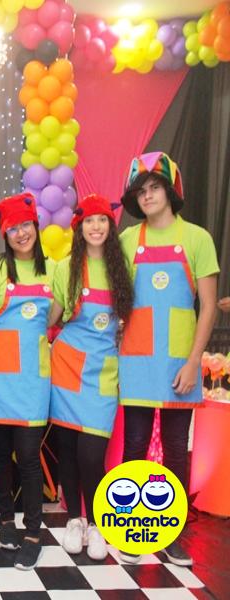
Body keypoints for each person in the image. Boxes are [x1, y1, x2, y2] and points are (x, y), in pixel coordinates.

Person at [117, 152, 219, 567]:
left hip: (180, 362)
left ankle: (171, 535)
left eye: (155, 187)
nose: (148, 196)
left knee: (177, 450)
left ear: (171, 191)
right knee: (134, 446)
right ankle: (131, 530)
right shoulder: (127, 240)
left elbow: (208, 307)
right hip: (136, 359)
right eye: (141, 191)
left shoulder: (197, 238)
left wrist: (194, 362)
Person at [47, 194, 134, 561]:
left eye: (102, 220)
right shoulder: (65, 267)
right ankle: (73, 521)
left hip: (103, 369)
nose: (96, 227)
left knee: (91, 454)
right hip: (67, 362)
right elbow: (51, 317)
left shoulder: (122, 266)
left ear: (110, 226)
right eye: (89, 221)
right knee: (67, 449)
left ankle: (97, 524)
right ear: (79, 228)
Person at [0, 192, 55, 570]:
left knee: (28, 456)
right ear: (5, 235)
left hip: (32, 379)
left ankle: (33, 531)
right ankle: (6, 520)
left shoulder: (54, 268)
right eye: (13, 228)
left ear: (36, 226)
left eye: (26, 225)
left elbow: (57, 316)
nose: (21, 233)